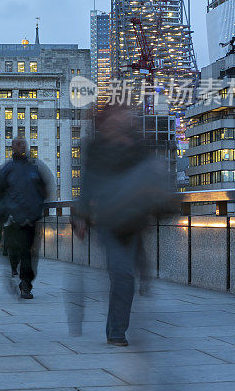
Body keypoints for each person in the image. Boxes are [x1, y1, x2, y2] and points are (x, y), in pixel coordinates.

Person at [74, 104, 172, 347]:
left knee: (128, 269)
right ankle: (116, 331)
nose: (123, 119)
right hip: (109, 219)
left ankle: (142, 270)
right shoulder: (96, 149)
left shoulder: (138, 146)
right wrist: (82, 216)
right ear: (106, 121)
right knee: (122, 274)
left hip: (135, 218)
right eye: (118, 116)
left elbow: (152, 178)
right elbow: (88, 184)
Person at [0, 137, 54, 299]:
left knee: (30, 252)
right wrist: (4, 211)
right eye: (17, 144)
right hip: (14, 218)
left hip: (32, 217)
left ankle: (26, 281)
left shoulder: (35, 168)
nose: (21, 146)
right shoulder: (7, 169)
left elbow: (45, 189)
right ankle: (24, 283)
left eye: (23, 143)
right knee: (22, 249)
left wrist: (38, 206)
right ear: (12, 147)